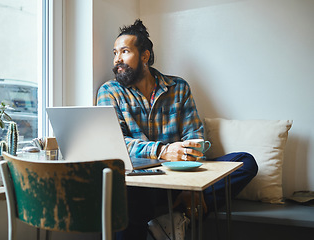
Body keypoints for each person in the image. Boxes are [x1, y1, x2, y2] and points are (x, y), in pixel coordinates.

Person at [97, 19, 258, 240]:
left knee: (245, 161)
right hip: (141, 183)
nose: (117, 60)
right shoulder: (110, 91)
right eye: (115, 53)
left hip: (179, 174)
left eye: (124, 51)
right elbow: (115, 144)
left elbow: (194, 136)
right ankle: (173, 216)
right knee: (124, 193)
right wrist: (163, 151)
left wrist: (190, 184)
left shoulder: (178, 87)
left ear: (144, 55)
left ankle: (175, 217)